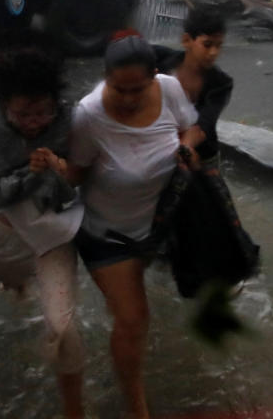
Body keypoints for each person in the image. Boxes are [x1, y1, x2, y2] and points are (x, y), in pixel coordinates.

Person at [66, 31, 200, 419]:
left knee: (144, 307)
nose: (126, 99)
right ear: (105, 77)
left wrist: (187, 148)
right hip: (106, 234)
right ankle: (137, 409)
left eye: (136, 90)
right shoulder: (88, 115)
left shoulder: (170, 89)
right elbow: (73, 175)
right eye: (117, 88)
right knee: (133, 319)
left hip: (158, 225)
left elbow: (189, 129)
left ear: (154, 77)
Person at [0, 47, 86, 419]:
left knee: (62, 325)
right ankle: (15, 284)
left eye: (42, 113)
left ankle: (73, 410)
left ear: (55, 104)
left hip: (56, 230)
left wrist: (63, 172)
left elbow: (91, 178)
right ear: (4, 106)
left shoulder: (72, 120)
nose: (34, 123)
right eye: (23, 114)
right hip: (7, 224)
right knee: (13, 280)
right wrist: (27, 175)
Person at [153, 7, 233, 169]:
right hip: (160, 147)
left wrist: (183, 149)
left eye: (219, 46)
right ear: (187, 41)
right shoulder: (161, 60)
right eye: (207, 44)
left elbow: (204, 124)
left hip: (201, 154)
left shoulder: (221, 83)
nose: (213, 53)